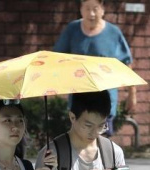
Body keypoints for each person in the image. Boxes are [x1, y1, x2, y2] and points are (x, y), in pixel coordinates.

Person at [55, 0, 135, 136]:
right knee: (79, 142)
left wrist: (132, 94)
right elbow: (57, 58)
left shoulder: (113, 33)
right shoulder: (72, 30)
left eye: (95, 8)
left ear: (102, 9)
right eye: (87, 8)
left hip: (106, 97)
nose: (91, 13)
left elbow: (126, 63)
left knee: (102, 143)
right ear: (81, 9)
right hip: (78, 98)